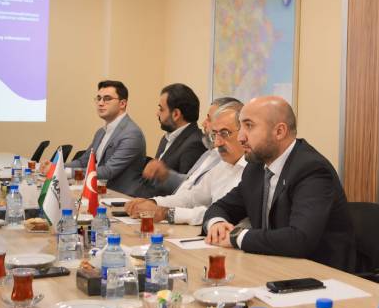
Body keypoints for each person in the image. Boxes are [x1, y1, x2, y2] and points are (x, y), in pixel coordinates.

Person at [203, 96, 356, 272]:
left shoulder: (311, 169)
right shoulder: (256, 168)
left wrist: (236, 237)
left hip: (319, 274)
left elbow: (299, 239)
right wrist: (217, 224)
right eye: (241, 126)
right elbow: (221, 207)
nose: (240, 137)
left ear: (279, 131)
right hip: (272, 266)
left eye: (249, 126)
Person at [125, 100, 247, 225]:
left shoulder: (252, 170)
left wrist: (166, 213)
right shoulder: (223, 165)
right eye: (215, 135)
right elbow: (192, 197)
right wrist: (154, 203)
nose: (217, 143)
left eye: (225, 133)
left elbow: (221, 214)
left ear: (244, 132)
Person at [64, 80, 147, 196]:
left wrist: (67, 172)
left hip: (121, 197)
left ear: (122, 103)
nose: (100, 103)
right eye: (98, 98)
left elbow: (108, 171)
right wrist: (56, 167)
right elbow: (83, 161)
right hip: (99, 191)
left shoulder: (131, 134)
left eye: (107, 99)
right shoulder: (101, 132)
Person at [141, 97, 239, 194]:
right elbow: (190, 183)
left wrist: (160, 202)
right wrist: (165, 175)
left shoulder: (226, 158)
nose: (203, 123)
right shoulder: (209, 153)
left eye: (209, 119)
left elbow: (198, 196)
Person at [140, 83, 206, 196]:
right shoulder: (167, 137)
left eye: (161, 109)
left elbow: (185, 191)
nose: (157, 113)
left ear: (176, 114)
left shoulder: (195, 143)